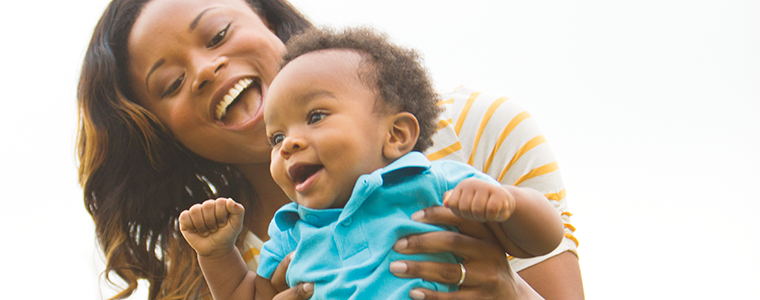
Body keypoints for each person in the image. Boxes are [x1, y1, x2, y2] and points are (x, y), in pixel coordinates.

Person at [77, 0, 584, 299]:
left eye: (218, 34)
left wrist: (512, 291)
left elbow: (543, 236)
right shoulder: (223, 257)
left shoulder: (471, 134)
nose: (206, 69)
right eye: (170, 83)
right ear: (164, 131)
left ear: (267, 19)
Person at [177, 27, 565, 300]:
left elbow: (545, 237)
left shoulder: (430, 182)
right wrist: (216, 254)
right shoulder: (292, 232)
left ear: (396, 135)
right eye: (276, 138)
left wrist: (508, 203)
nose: (288, 144)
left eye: (315, 117)